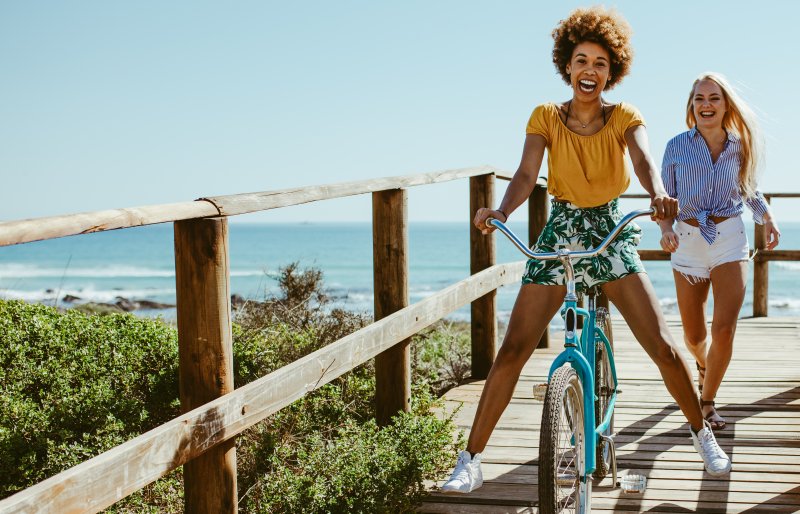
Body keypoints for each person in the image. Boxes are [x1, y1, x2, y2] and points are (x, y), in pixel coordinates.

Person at [441, 6, 731, 494]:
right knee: (513, 347)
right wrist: (503, 210)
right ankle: (470, 460)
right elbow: (527, 174)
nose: (590, 70)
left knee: (661, 344)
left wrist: (659, 194)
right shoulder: (545, 117)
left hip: (609, 231)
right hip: (561, 229)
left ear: (611, 71)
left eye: (600, 62)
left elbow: (642, 160)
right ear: (567, 66)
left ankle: (701, 434)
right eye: (581, 61)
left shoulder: (624, 117)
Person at [659, 72, 780, 431]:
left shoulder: (740, 146)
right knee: (695, 337)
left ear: (726, 105)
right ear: (691, 106)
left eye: (713, 98)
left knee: (724, 330)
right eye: (699, 99)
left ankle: (707, 402)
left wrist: (768, 218)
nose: (706, 105)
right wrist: (665, 229)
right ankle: (702, 365)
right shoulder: (676, 146)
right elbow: (663, 199)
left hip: (729, 237)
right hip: (688, 240)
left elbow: (749, 190)